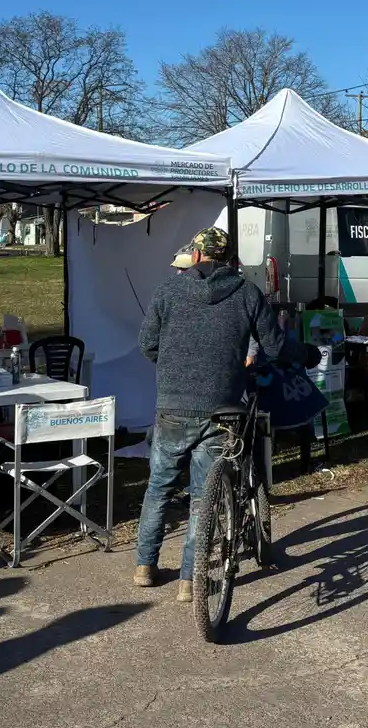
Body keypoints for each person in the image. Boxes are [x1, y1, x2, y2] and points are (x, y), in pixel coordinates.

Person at [135, 227, 309, 600]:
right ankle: (189, 581)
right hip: (223, 408)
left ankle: (144, 567)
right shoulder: (248, 293)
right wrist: (305, 353)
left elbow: (147, 344)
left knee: (158, 488)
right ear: (231, 259)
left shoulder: (168, 290)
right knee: (203, 497)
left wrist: (172, 369)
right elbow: (275, 347)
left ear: (196, 256)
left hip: (172, 405)